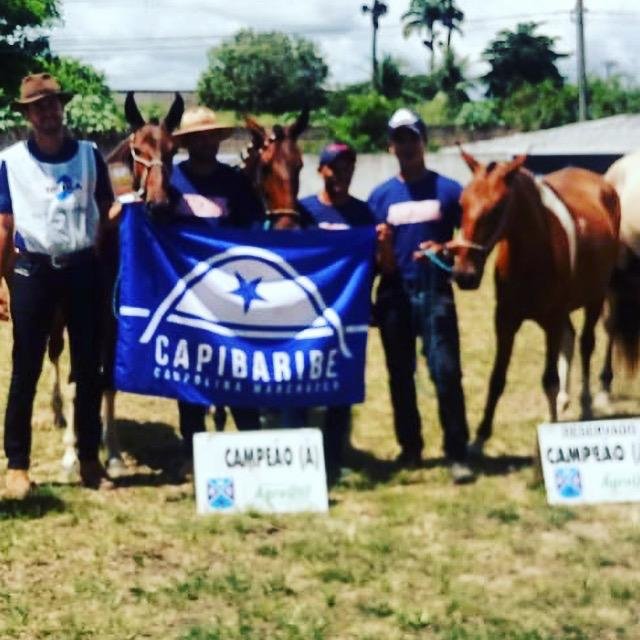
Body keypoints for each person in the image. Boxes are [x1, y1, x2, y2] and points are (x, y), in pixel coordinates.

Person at [0, 73, 114, 498]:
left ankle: (89, 459)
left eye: (52, 104)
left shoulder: (89, 155)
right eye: (38, 107)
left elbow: (107, 207)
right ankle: (17, 465)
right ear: (28, 115)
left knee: (88, 369)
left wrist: (130, 215)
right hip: (34, 271)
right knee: (26, 369)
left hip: (83, 269)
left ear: (61, 107)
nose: (47, 112)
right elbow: (4, 224)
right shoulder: (11, 161)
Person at [367, 108, 474, 483]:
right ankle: (410, 448)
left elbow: (469, 238)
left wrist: (444, 248)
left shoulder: (450, 191)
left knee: (446, 372)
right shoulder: (379, 198)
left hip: (435, 293)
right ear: (390, 146)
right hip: (394, 294)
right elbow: (369, 255)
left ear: (424, 142)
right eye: (399, 139)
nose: (406, 146)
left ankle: (457, 452)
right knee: (400, 375)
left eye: (412, 138)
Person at [169, 106, 265, 473]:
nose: (205, 142)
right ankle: (193, 450)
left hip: (231, 293)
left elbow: (254, 230)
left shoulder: (235, 183)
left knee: (236, 366)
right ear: (187, 142)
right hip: (187, 294)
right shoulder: (172, 181)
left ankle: (250, 445)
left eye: (211, 135)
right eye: (197, 137)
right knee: (189, 372)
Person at [299, 141, 392, 485]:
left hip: (347, 316)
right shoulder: (303, 212)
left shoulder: (365, 215)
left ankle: (336, 454)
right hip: (307, 316)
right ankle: (301, 453)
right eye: (335, 168)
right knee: (304, 383)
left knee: (341, 384)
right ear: (320, 170)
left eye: (348, 168)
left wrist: (384, 245)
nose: (341, 174)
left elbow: (384, 267)